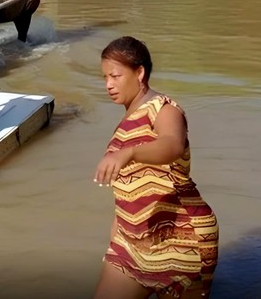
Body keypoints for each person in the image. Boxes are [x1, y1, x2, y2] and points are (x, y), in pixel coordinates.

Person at [92, 36, 219, 299]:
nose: (108, 85)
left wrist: (131, 153)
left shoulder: (164, 110)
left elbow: (172, 144)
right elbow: (129, 188)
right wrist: (116, 233)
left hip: (181, 239)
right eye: (105, 77)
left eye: (115, 76)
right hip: (130, 244)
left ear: (140, 73)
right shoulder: (126, 120)